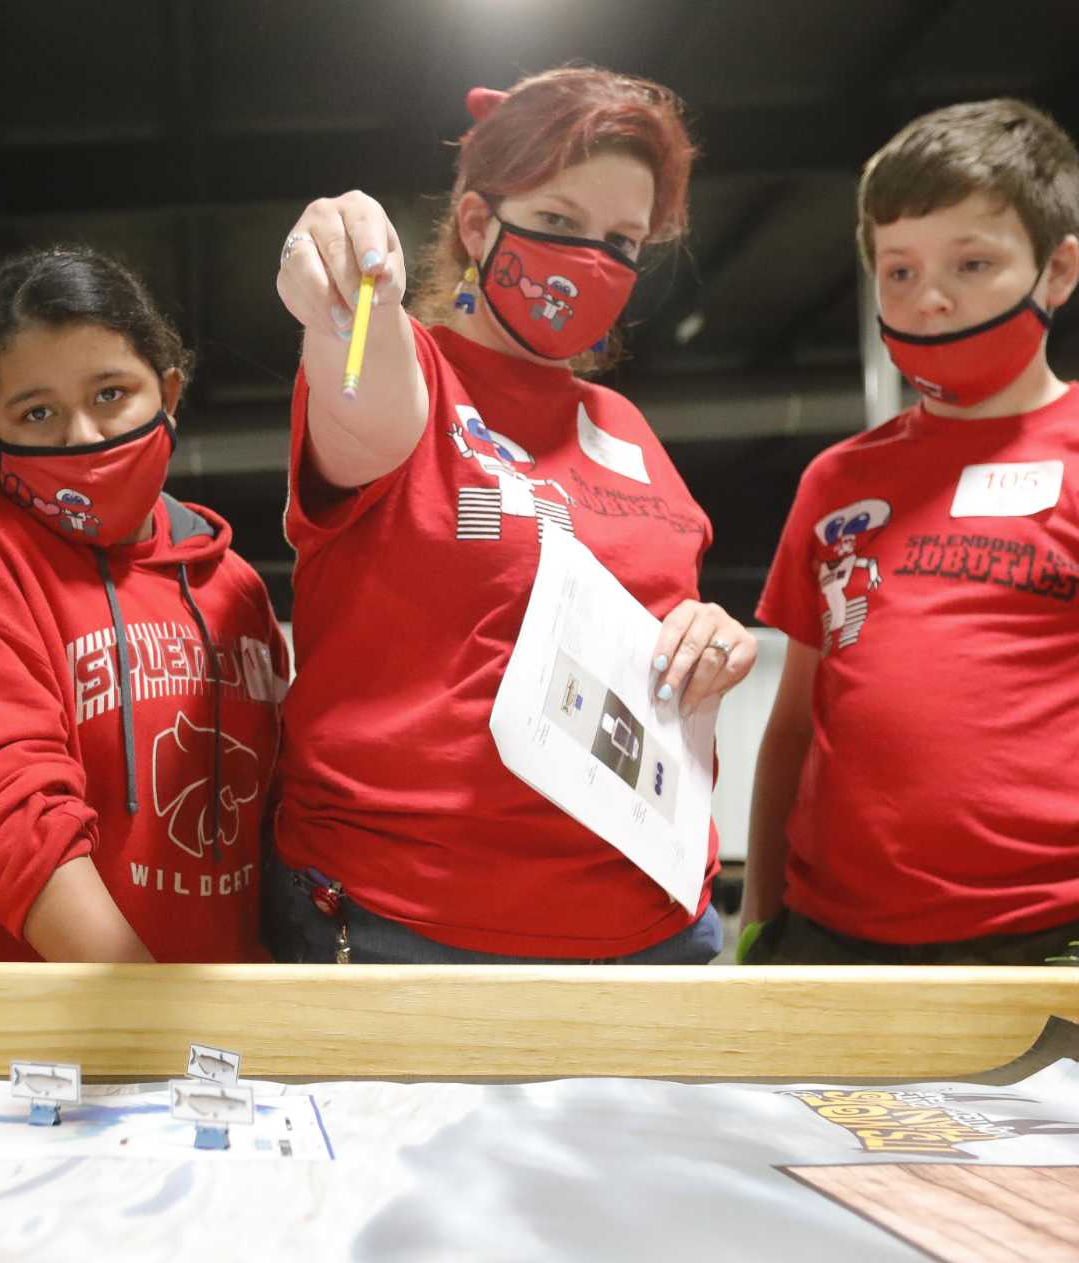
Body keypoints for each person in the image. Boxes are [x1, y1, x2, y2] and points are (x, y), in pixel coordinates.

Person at [741, 99, 1079, 975]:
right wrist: (761, 920)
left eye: (972, 263)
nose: (930, 298)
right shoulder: (838, 481)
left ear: (1057, 270)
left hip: (1048, 947)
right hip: (828, 949)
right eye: (897, 271)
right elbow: (792, 730)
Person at [265, 67, 755, 964]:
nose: (593, 261)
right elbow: (361, 379)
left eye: (622, 240)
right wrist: (344, 297)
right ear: (480, 224)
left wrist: (711, 638)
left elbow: (661, 618)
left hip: (655, 933)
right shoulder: (414, 372)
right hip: (410, 933)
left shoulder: (628, 430)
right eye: (562, 224)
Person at [0, 247, 287, 962]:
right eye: (38, 412)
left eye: (110, 394)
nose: (84, 438)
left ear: (168, 389)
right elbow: (6, 812)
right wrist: (145, 1012)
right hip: (23, 1041)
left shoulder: (235, 588)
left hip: (205, 1037)